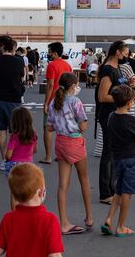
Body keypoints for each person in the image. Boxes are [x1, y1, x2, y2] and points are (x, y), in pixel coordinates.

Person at [47, 73, 93, 234]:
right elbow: (84, 126)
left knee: (62, 185)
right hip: (75, 142)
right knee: (84, 179)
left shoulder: (54, 102)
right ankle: (89, 217)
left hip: (60, 142)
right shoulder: (75, 101)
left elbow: (50, 127)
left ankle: (64, 223)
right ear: (73, 86)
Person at [0, 163, 64, 257]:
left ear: (14, 195)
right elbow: (55, 255)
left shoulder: (8, 219)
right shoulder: (50, 220)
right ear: (41, 192)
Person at [102, 85, 135, 237]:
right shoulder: (131, 120)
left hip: (117, 158)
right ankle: (121, 226)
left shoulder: (111, 117)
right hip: (131, 159)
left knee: (118, 191)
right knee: (127, 193)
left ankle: (108, 219)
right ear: (129, 102)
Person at [96, 40, 130, 204]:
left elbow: (118, 88)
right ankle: (105, 192)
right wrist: (123, 98)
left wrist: (129, 90)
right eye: (125, 53)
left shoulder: (116, 68)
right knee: (108, 153)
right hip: (109, 115)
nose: (127, 56)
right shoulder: (108, 69)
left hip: (116, 114)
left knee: (114, 152)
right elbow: (102, 96)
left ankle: (112, 188)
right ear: (118, 52)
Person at [0, 35, 26, 171]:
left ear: (1, 46)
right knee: (16, 131)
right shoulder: (19, 61)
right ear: (12, 47)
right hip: (14, 99)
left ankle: (4, 160)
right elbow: (21, 77)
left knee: (1, 130)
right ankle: (15, 159)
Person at [43, 42, 73, 165]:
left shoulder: (51, 65)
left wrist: (46, 102)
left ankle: (48, 156)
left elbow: (50, 85)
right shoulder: (68, 66)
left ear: (55, 53)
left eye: (49, 52)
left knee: (48, 129)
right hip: (66, 100)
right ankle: (61, 155)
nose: (48, 54)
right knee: (63, 128)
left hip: (53, 101)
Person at [5, 107, 38, 209]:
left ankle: (15, 214)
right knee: (27, 190)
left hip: (14, 166)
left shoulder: (15, 136)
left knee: (14, 194)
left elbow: (8, 155)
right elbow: (35, 151)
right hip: (28, 165)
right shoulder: (33, 135)